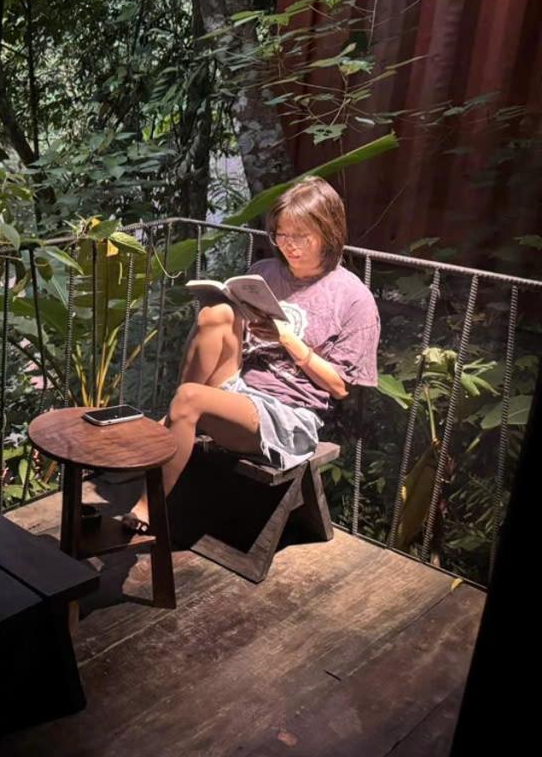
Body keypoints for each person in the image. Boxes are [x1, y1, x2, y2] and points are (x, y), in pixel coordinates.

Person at [120, 176, 380, 533]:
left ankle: (148, 505)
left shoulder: (353, 298)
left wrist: (288, 340)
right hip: (241, 388)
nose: (289, 246)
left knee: (190, 398)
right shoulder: (264, 273)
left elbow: (339, 387)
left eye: (301, 237)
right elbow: (230, 335)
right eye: (281, 235)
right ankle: (177, 419)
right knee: (215, 315)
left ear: (328, 233)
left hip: (288, 415)